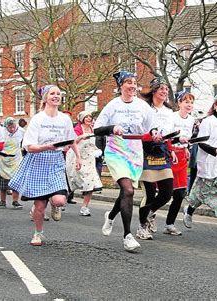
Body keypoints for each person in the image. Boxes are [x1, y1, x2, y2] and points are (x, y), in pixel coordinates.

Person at [9, 85, 81, 246]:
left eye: (58, 94)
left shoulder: (64, 119)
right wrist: (47, 147)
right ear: (45, 98)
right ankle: (38, 233)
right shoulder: (38, 119)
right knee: (40, 206)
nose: (56, 96)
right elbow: (29, 146)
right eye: (52, 94)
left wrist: (78, 157)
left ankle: (54, 203)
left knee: (60, 200)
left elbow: (71, 139)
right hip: (38, 160)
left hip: (56, 160)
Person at [94, 70, 155, 252]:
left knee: (125, 192)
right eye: (128, 82)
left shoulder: (143, 106)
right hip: (116, 151)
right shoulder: (112, 106)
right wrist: (113, 127)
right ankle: (127, 236)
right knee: (128, 190)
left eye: (134, 82)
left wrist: (155, 133)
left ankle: (111, 215)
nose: (132, 85)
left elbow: (151, 128)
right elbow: (97, 129)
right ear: (121, 86)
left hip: (135, 153)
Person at [182, 93, 217, 237]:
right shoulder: (208, 122)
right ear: (215, 106)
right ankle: (189, 211)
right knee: (198, 195)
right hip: (208, 163)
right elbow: (201, 142)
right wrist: (214, 151)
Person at [135, 77, 176, 239]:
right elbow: (138, 131)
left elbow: (169, 134)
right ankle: (141, 226)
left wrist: (171, 149)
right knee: (150, 194)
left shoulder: (169, 112)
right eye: (161, 89)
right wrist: (150, 136)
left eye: (166, 89)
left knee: (167, 193)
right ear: (153, 90)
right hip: (145, 151)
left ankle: (150, 213)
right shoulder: (144, 108)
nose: (164, 92)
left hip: (162, 152)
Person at [165, 91, 195, 234]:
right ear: (179, 103)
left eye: (191, 102)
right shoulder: (172, 117)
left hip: (182, 156)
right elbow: (167, 137)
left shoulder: (191, 119)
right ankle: (148, 214)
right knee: (166, 192)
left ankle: (169, 224)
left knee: (180, 193)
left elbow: (187, 138)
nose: (189, 105)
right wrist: (172, 149)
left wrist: (187, 148)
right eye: (186, 102)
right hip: (171, 155)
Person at [66, 110, 103, 216]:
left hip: (89, 158)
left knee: (90, 181)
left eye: (90, 117)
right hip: (76, 158)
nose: (89, 119)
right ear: (82, 119)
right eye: (86, 117)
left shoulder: (93, 129)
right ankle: (61, 202)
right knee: (72, 180)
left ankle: (84, 207)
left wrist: (97, 151)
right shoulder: (77, 129)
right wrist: (81, 137)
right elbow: (72, 142)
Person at [0, 117, 24, 209]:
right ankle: (2, 201)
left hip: (16, 159)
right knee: (3, 182)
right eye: (9, 127)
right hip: (3, 159)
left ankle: (15, 201)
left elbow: (25, 143)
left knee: (16, 181)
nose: (12, 129)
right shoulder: (1, 132)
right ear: (6, 127)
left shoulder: (21, 131)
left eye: (13, 127)